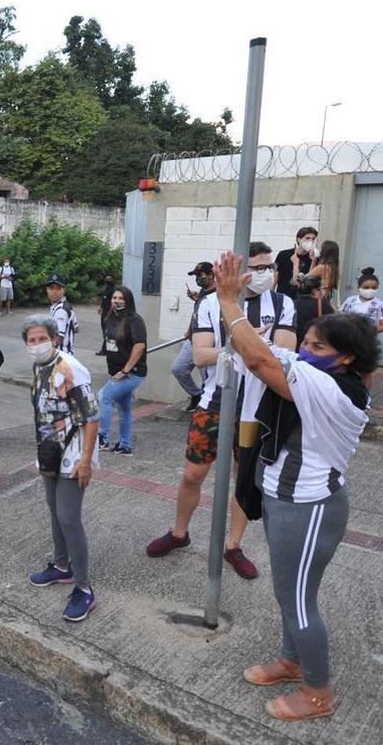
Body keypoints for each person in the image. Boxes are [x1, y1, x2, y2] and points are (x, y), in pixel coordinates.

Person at [209, 250, 378, 722]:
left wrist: (229, 301)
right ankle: (291, 660)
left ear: (347, 358)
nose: (305, 349)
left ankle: (318, 692)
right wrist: (236, 316)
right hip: (283, 498)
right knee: (288, 591)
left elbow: (261, 360)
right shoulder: (314, 369)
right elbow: (260, 350)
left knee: (298, 598)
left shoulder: (335, 389)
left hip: (311, 507)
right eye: (305, 340)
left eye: (318, 346)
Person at [146, 242, 296, 581]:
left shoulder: (282, 304)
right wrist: (242, 344)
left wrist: (244, 348)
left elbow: (285, 355)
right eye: (256, 268)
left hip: (256, 409)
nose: (264, 274)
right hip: (214, 402)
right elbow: (200, 356)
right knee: (192, 474)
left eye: (268, 267)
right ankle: (179, 533)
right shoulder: (210, 303)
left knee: (244, 480)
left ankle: (233, 545)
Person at [22, 314, 101, 623]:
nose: (37, 344)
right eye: (31, 340)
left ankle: (84, 588)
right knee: (54, 509)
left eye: (42, 338)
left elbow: (92, 417)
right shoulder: (38, 367)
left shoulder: (70, 368)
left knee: (68, 516)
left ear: (55, 338)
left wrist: (86, 461)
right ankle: (61, 566)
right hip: (48, 450)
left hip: (74, 451)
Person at [98, 286, 147, 454]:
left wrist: (126, 370)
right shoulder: (111, 318)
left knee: (104, 397)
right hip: (117, 372)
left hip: (131, 373)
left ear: (128, 301)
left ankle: (102, 439)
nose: (116, 301)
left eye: (121, 298)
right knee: (124, 409)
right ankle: (125, 445)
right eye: (114, 298)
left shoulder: (134, 320)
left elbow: (140, 346)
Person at [172, 261, 215, 412]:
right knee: (178, 369)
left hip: (208, 342)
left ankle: (207, 406)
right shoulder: (203, 292)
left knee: (208, 377)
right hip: (192, 339)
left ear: (211, 275)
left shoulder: (218, 294)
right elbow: (197, 314)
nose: (197, 279)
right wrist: (189, 330)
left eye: (200, 275)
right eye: (195, 276)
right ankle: (196, 395)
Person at [276, 227, 319, 300]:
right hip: (283, 296)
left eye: (313, 239)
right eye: (307, 238)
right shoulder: (284, 254)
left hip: (302, 299)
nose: (310, 241)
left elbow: (311, 280)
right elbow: (276, 276)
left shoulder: (314, 258)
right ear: (299, 239)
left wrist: (313, 261)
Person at [293, 274, 334, 347]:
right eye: (324, 288)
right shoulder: (322, 303)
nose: (325, 291)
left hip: (295, 344)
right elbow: (334, 322)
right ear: (315, 291)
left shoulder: (293, 303)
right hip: (313, 344)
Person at [46, 272, 79, 354]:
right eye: (51, 288)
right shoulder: (66, 305)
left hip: (60, 355)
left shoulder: (61, 310)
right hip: (67, 353)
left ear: (64, 290)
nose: (54, 291)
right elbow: (76, 328)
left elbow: (59, 338)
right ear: (47, 290)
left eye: (58, 288)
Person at [306, 240, 340, 304]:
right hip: (325, 300)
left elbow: (306, 279)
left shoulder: (322, 267)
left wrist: (296, 265)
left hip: (316, 301)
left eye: (321, 249)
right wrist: (313, 261)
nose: (319, 251)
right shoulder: (332, 268)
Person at [95, 274, 116, 356]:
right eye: (107, 278)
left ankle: (108, 350)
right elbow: (104, 299)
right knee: (105, 331)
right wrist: (101, 307)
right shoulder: (107, 288)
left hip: (109, 312)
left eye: (109, 279)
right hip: (104, 311)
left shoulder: (113, 290)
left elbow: (113, 304)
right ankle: (108, 350)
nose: (108, 280)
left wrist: (108, 316)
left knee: (109, 331)